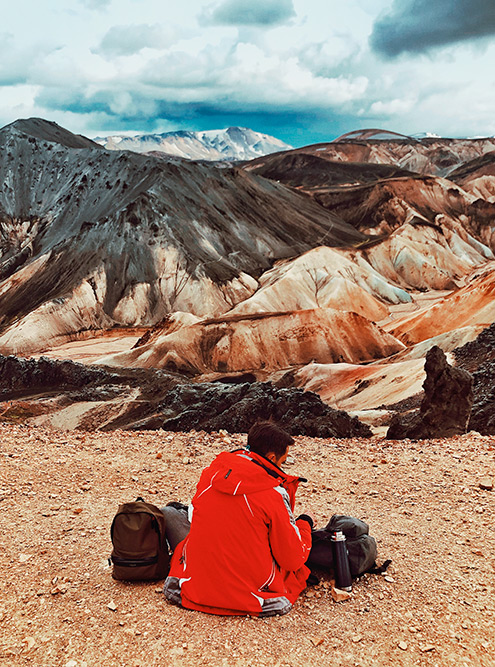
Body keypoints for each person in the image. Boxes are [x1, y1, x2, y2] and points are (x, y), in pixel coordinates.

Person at [163, 421, 313, 617]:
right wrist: (304, 524)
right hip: (248, 594)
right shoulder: (272, 493)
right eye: (282, 461)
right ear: (271, 457)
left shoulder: (210, 475)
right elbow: (292, 558)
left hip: (197, 588)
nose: (282, 467)